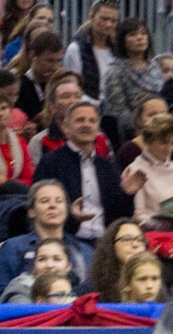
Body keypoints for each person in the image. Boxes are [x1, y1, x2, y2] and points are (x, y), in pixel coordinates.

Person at [34, 99, 126, 242]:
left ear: (98, 128)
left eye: (92, 121)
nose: (86, 125)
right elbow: (39, 209)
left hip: (105, 241)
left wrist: (128, 193)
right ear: (65, 127)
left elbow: (119, 214)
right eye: (80, 120)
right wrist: (71, 215)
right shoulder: (50, 163)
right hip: (66, 239)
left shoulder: (107, 167)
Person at [0, 180, 91, 299]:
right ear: (31, 211)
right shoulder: (12, 247)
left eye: (59, 201)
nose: (52, 205)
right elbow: (0, 291)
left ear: (67, 210)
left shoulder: (84, 250)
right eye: (44, 201)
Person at [120, 111, 173, 226]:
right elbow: (138, 216)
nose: (168, 149)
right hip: (153, 236)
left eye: (172, 143)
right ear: (149, 140)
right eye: (163, 143)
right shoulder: (136, 170)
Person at [100, 17, 163, 141]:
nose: (140, 38)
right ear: (123, 41)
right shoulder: (116, 71)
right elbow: (116, 112)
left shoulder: (155, 67)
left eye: (143, 33)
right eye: (133, 34)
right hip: (129, 133)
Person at [62, 0, 118, 101]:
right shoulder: (75, 49)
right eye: (104, 19)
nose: (109, 24)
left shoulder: (117, 50)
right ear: (91, 17)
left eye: (113, 20)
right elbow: (73, 88)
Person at [76, 217, 145, 299]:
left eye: (140, 239)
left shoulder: (153, 281)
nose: (135, 244)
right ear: (111, 246)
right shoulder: (93, 286)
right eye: (127, 239)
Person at [0, 234, 75, 303]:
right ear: (34, 265)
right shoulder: (20, 291)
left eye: (56, 259)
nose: (49, 265)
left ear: (68, 266)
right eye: (42, 259)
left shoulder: (75, 289)